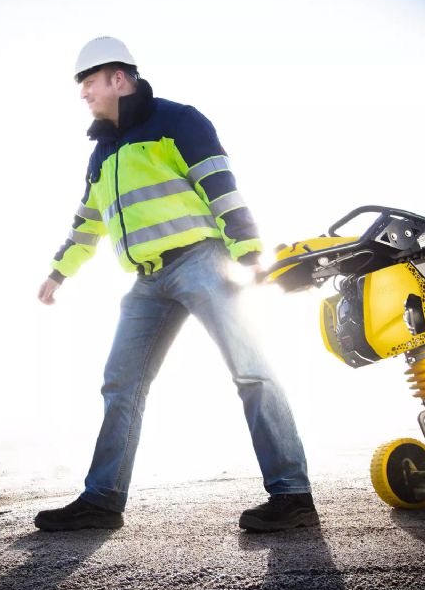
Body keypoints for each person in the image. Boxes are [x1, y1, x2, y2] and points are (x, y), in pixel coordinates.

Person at [35, 37, 316, 532]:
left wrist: (249, 252)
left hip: (201, 261)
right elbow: (87, 223)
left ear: (118, 78)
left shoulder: (178, 120)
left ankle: (292, 494)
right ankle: (102, 499)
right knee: (121, 383)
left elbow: (220, 185)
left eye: (89, 82)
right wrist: (59, 271)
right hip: (147, 282)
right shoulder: (101, 152)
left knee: (250, 370)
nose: (83, 94)